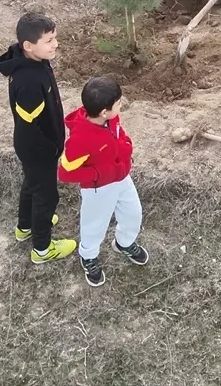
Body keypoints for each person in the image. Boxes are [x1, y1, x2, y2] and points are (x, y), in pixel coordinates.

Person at [0, 13, 77, 265]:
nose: (56, 44)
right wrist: (51, 148)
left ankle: (25, 227)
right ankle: (42, 248)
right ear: (28, 46)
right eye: (49, 40)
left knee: (32, 184)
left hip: (34, 147)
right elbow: (29, 127)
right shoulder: (29, 81)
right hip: (38, 148)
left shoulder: (34, 61)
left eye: (55, 38)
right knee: (47, 197)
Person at [58, 77, 149, 288]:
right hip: (98, 189)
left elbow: (118, 134)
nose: (121, 105)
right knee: (94, 225)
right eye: (118, 103)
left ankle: (124, 243)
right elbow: (65, 173)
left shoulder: (110, 119)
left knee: (133, 213)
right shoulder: (80, 140)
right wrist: (99, 174)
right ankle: (88, 256)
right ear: (103, 112)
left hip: (122, 179)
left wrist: (126, 145)